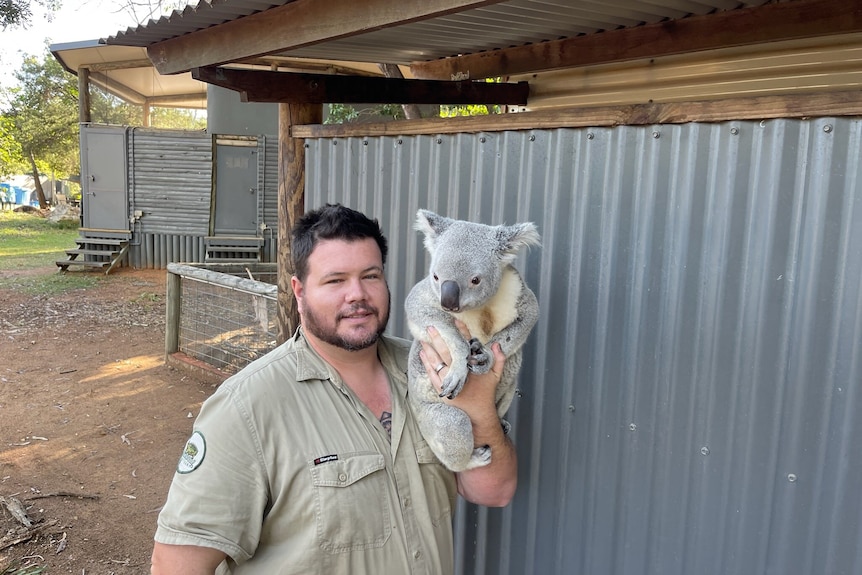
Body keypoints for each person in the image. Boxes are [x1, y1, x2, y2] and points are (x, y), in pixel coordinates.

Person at [150, 204, 517, 574]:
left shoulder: (432, 368)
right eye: (335, 280)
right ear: (299, 291)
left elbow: (493, 491)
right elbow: (176, 565)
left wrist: (480, 408)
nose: (357, 295)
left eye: (370, 276)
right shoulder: (246, 407)